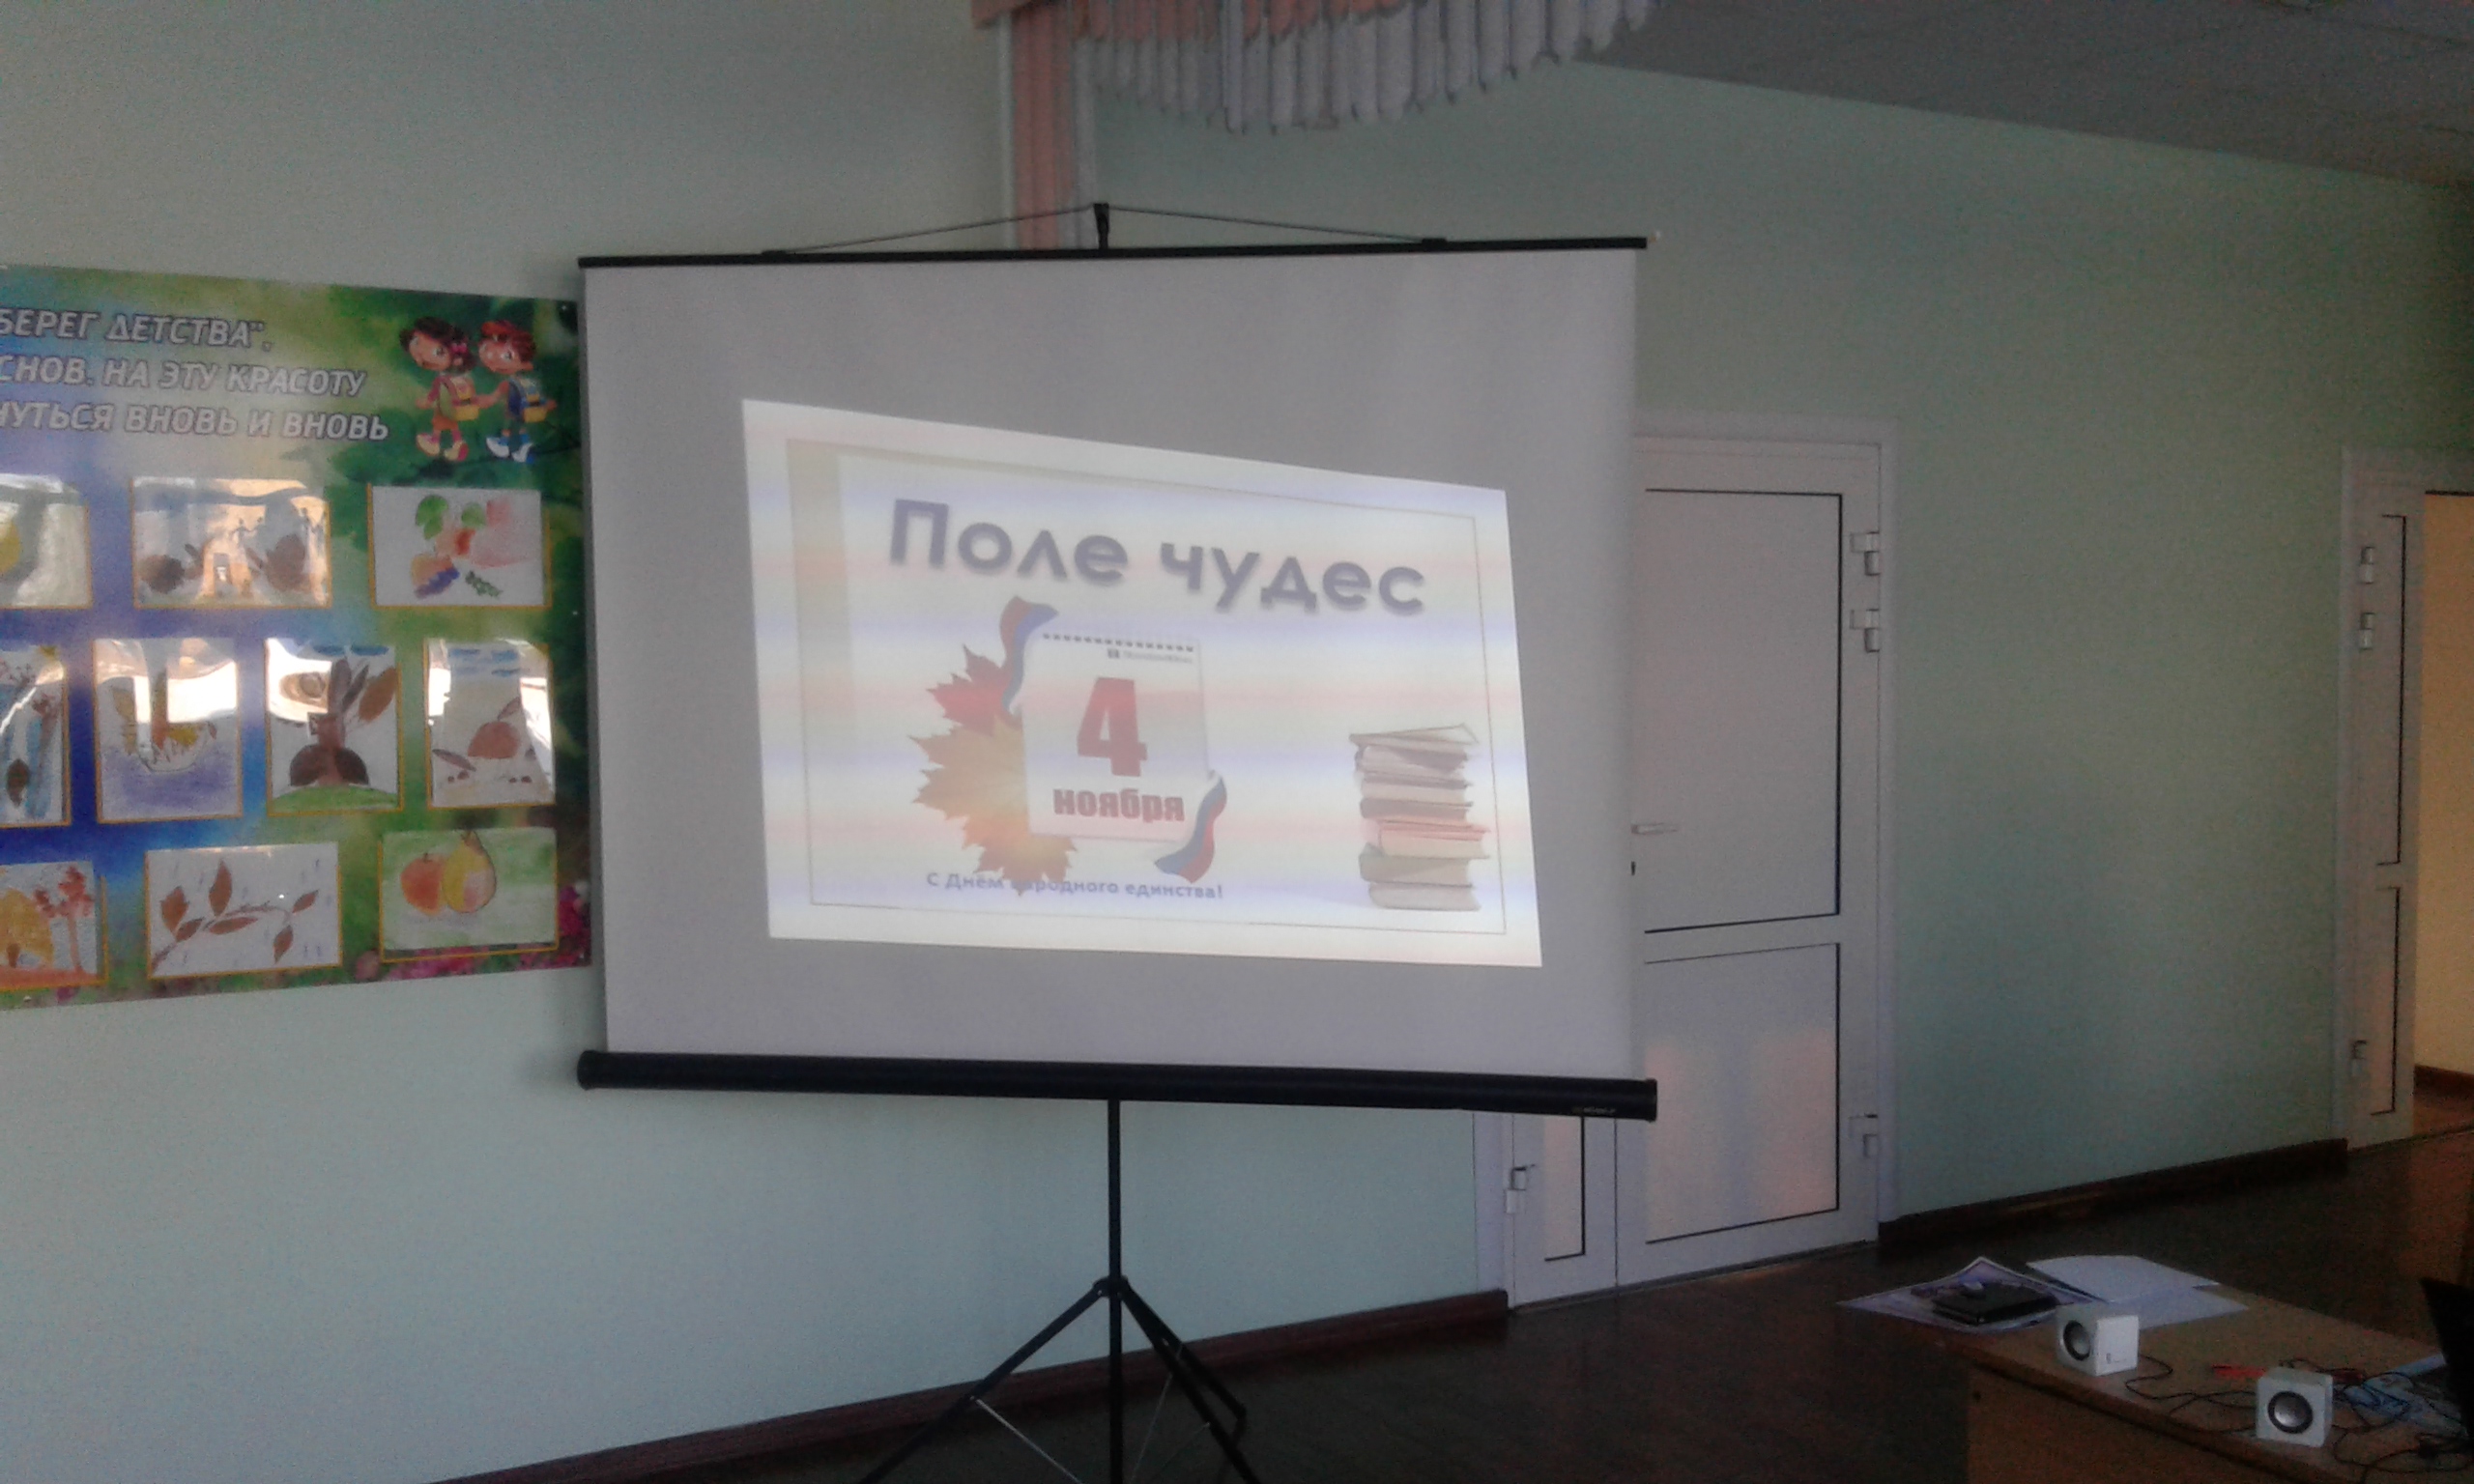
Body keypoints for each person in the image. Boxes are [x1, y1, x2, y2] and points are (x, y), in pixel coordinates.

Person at [476, 320, 552, 463]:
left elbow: (497, 395)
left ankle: (503, 445)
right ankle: (524, 445)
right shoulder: (527, 381)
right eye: (485, 349)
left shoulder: (511, 383)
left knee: (509, 424)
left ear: (525, 364)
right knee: (519, 426)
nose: (494, 365)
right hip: (525, 410)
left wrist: (489, 399)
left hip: (517, 409)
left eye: (507, 356)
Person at [401, 317, 475, 461]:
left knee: (439, 423)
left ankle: (436, 442)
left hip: (446, 406)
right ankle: (456, 442)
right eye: (418, 359)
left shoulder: (443, 379)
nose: (423, 360)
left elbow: (434, 394)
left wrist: (426, 402)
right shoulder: (459, 378)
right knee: (450, 424)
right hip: (450, 407)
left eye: (439, 352)